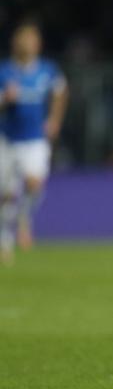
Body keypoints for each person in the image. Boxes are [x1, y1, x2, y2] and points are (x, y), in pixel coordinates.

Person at [0, 22, 68, 260]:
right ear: (15, 43)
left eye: (32, 40)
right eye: (24, 40)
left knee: (34, 183)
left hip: (34, 139)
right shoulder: (5, 71)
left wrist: (54, 119)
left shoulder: (47, 70)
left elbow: (60, 92)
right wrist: (5, 99)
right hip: (7, 139)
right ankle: (4, 238)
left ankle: (25, 219)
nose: (28, 44)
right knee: (6, 193)